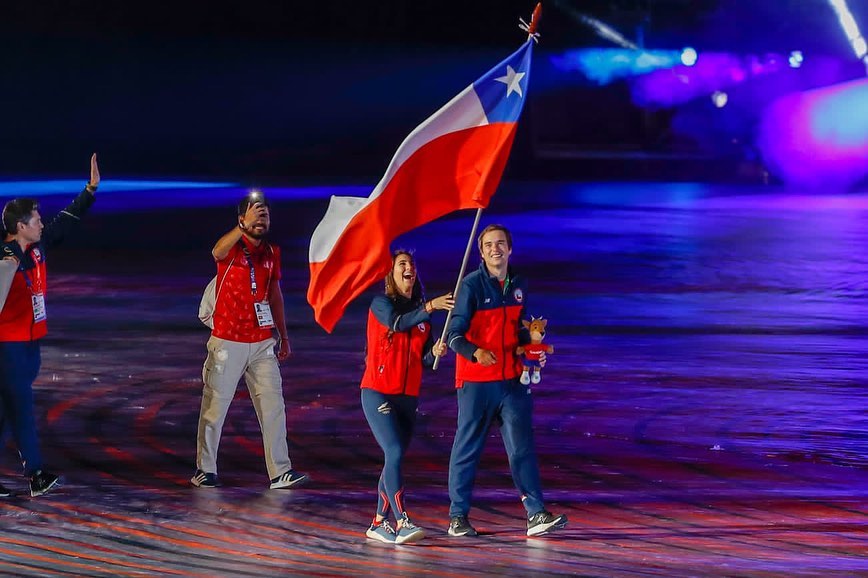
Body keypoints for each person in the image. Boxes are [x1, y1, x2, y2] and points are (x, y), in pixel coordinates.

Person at [445, 224, 567, 537]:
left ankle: (536, 514)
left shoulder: (519, 285)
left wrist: (533, 347)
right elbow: (454, 335)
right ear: (481, 252)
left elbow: (522, 331)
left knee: (522, 448)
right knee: (467, 449)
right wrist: (475, 353)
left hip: (512, 380)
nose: (495, 249)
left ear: (510, 249)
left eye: (500, 244)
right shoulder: (471, 286)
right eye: (488, 245)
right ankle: (458, 517)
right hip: (476, 383)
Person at [192, 191, 307, 490]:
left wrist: (283, 335)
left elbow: (274, 296)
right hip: (227, 341)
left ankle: (280, 471)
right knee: (215, 407)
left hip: (261, 341)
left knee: (273, 406)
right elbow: (216, 252)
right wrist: (240, 230)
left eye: (265, 212)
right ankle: (205, 470)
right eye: (255, 211)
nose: (262, 216)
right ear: (242, 219)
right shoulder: (232, 248)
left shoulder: (271, 254)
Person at [0, 153, 100, 498]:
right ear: (20, 227)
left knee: (6, 411)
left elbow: (65, 221)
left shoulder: (38, 247)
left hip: (30, 345)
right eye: (36, 220)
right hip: (7, 346)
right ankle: (36, 473)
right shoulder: (4, 259)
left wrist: (89, 191)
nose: (42, 223)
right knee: (22, 409)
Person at [360, 250, 453, 545]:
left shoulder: (423, 317)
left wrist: (434, 352)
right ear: (391, 273)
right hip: (377, 391)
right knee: (395, 452)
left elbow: (423, 359)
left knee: (394, 459)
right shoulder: (381, 305)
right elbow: (397, 323)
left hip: (407, 398)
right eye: (402, 264)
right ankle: (402, 520)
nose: (408, 268)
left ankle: (377, 522)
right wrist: (431, 305)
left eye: (411, 264)